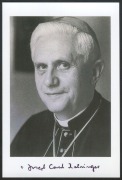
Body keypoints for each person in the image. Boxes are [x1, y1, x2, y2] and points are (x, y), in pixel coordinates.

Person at [11, 17, 111, 157]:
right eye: (42, 66)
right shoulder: (31, 128)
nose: (49, 81)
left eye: (63, 65)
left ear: (94, 72)